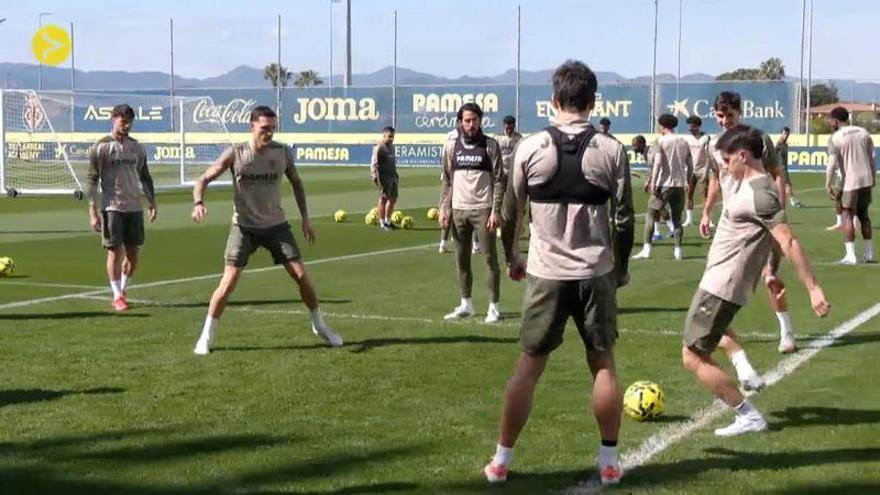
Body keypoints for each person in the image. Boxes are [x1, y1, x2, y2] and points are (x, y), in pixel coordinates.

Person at [486, 60, 634, 486]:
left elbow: (510, 213)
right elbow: (624, 219)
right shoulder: (611, 150)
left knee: (528, 367)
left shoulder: (530, 148)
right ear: (592, 102)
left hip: (546, 272)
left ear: (553, 100)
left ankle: (501, 460)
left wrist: (512, 257)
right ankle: (609, 460)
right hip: (595, 270)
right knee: (603, 364)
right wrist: (621, 268)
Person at [683, 124, 829, 437]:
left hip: (723, 285)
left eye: (727, 160)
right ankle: (744, 369)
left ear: (743, 156)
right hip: (719, 280)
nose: (724, 166)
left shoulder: (760, 194)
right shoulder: (744, 183)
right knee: (709, 338)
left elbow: (788, 240)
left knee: (692, 356)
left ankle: (747, 415)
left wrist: (813, 288)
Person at [191, 106, 342, 355]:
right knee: (228, 283)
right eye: (264, 128)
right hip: (244, 227)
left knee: (301, 276)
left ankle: (319, 325)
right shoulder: (236, 153)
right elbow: (203, 179)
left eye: (273, 128)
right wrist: (198, 202)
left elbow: (297, 183)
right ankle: (206, 336)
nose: (269, 133)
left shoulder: (282, 152)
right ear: (252, 127)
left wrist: (306, 218)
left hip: (276, 226)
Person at [702, 91, 799, 354]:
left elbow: (777, 173)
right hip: (731, 223)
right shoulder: (714, 145)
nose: (724, 121)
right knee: (718, 277)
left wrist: (779, 210)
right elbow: (715, 180)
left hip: (761, 217)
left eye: (730, 115)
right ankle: (719, 330)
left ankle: (786, 331)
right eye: (720, 115)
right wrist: (707, 212)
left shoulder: (758, 140)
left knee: (770, 276)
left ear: (740, 113)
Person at [86, 103, 157, 312]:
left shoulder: (137, 147)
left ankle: (123, 288)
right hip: (112, 207)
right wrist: (92, 211)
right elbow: (92, 180)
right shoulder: (101, 147)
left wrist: (152, 201)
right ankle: (117, 295)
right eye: (123, 121)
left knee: (133, 254)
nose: (126, 126)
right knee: (114, 252)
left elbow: (145, 176)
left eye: (129, 122)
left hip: (134, 207)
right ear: (113, 119)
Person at [439, 102, 505, 323]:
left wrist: (496, 211)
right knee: (462, 260)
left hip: (483, 210)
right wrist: (444, 208)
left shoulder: (490, 145)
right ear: (460, 122)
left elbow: (499, 180)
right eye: (467, 120)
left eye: (475, 120)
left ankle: (493, 307)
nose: (471, 124)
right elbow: (447, 180)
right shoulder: (451, 147)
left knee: (490, 259)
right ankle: (466, 303)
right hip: (458, 210)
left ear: (480, 121)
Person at [632, 114, 692, 261]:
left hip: (663, 184)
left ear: (662, 126)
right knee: (677, 219)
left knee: (650, 215)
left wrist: (653, 182)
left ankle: (647, 249)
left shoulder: (659, 141)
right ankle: (678, 251)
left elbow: (658, 163)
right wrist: (688, 181)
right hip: (679, 185)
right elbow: (690, 165)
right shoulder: (683, 141)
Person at [827, 107, 876, 264]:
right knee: (864, 215)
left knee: (847, 215)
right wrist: (873, 177)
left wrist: (828, 183)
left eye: (830, 121)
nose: (830, 123)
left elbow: (832, 164)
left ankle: (851, 256)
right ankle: (869, 254)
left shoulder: (836, 137)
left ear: (836, 121)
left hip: (850, 181)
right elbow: (872, 158)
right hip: (866, 179)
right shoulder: (864, 132)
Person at [684, 115, 711, 226]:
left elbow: (709, 155)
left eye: (692, 126)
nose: (690, 129)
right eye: (689, 126)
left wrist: (706, 171)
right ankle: (689, 220)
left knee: (704, 194)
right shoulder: (687, 139)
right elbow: (685, 155)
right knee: (689, 193)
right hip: (690, 170)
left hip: (702, 169)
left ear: (698, 126)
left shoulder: (705, 138)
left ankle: (707, 219)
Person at [371, 126, 399, 231]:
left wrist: (396, 174)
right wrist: (374, 176)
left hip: (393, 176)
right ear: (384, 135)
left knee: (393, 198)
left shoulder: (392, 147)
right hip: (384, 177)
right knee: (383, 199)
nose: (391, 139)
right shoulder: (380, 148)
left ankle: (388, 221)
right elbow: (374, 163)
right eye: (389, 136)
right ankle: (382, 222)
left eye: (393, 136)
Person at [776, 126, 803, 208]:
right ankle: (792, 201)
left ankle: (791, 200)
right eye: (784, 134)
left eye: (787, 134)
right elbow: (774, 153)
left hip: (784, 167)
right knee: (787, 184)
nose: (786, 136)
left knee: (786, 184)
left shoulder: (785, 144)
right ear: (781, 134)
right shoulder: (779, 144)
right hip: (781, 167)